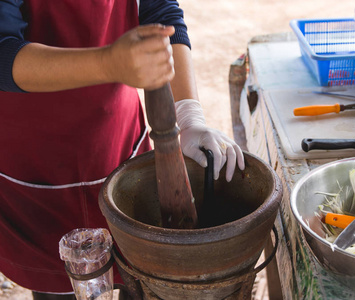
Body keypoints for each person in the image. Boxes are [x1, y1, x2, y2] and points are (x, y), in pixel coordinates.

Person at [0, 0, 245, 298]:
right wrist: (108, 64)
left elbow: (161, 14)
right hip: (38, 161)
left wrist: (189, 114)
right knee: (60, 284)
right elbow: (3, 50)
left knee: (138, 275)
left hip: (117, 138)